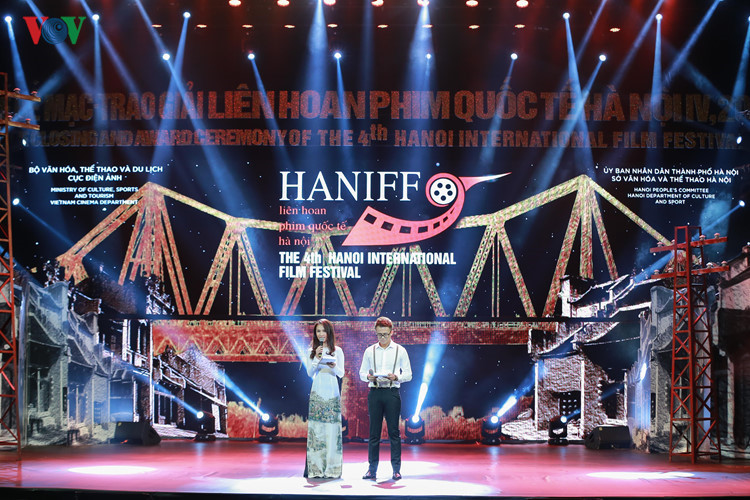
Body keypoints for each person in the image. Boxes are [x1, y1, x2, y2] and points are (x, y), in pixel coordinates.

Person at [358, 316, 412, 481]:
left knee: (394, 432)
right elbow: (361, 373)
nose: (382, 338)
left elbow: (409, 374)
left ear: (391, 332)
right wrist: (368, 377)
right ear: (375, 332)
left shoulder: (400, 350)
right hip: (375, 392)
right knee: (374, 433)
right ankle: (372, 469)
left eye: (385, 334)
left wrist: (396, 377)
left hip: (391, 392)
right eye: (379, 334)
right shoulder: (370, 351)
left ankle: (396, 470)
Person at [305, 319, 345, 479]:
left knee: (332, 430)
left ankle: (332, 468)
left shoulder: (338, 351)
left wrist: (333, 367)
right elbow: (309, 373)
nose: (321, 334)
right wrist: (316, 357)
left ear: (329, 333)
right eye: (318, 331)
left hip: (332, 389)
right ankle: (316, 468)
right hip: (318, 389)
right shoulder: (311, 351)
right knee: (317, 430)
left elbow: (341, 373)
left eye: (323, 331)